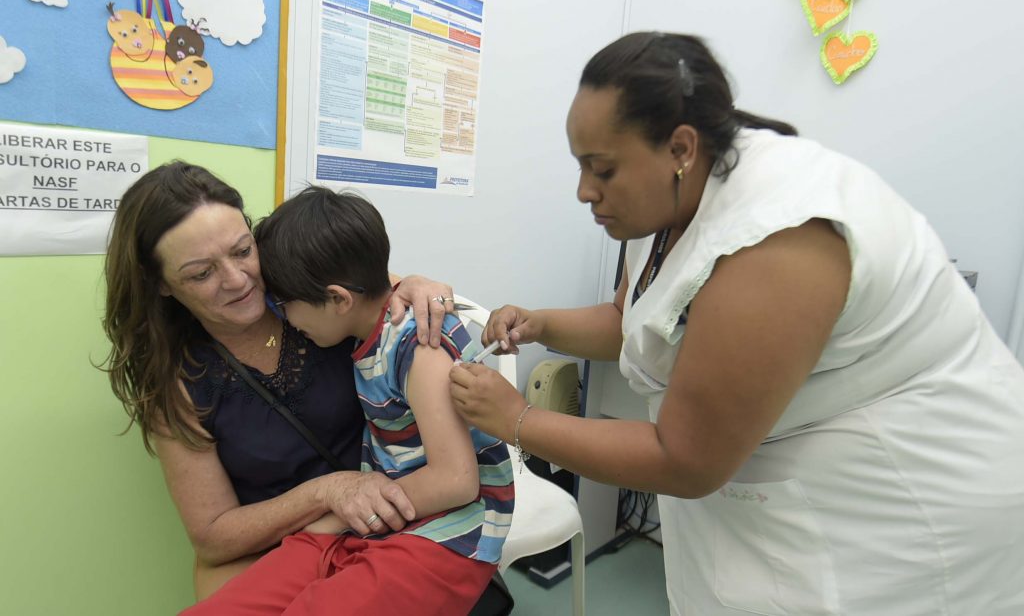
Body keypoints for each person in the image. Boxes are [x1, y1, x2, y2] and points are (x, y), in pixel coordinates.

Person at [448, 31, 1024, 615]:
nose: (583, 192)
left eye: (602, 169)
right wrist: (542, 324)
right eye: (580, 166)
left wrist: (516, 418)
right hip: (776, 499)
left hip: (902, 518)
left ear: (680, 148)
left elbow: (684, 458)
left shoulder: (780, 235)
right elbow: (634, 320)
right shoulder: (665, 203)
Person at [102, 161, 461, 602]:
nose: (237, 281)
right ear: (161, 284)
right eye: (201, 273)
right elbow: (213, 535)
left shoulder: (306, 284)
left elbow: (381, 293)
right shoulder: (178, 380)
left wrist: (421, 286)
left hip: (397, 516)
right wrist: (327, 493)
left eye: (242, 251)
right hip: (288, 543)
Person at [180, 185, 514, 615]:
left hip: (446, 534)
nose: (285, 319)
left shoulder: (419, 345)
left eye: (283, 304)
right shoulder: (362, 332)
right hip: (376, 517)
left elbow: (456, 481)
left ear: (338, 299)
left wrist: (336, 518)